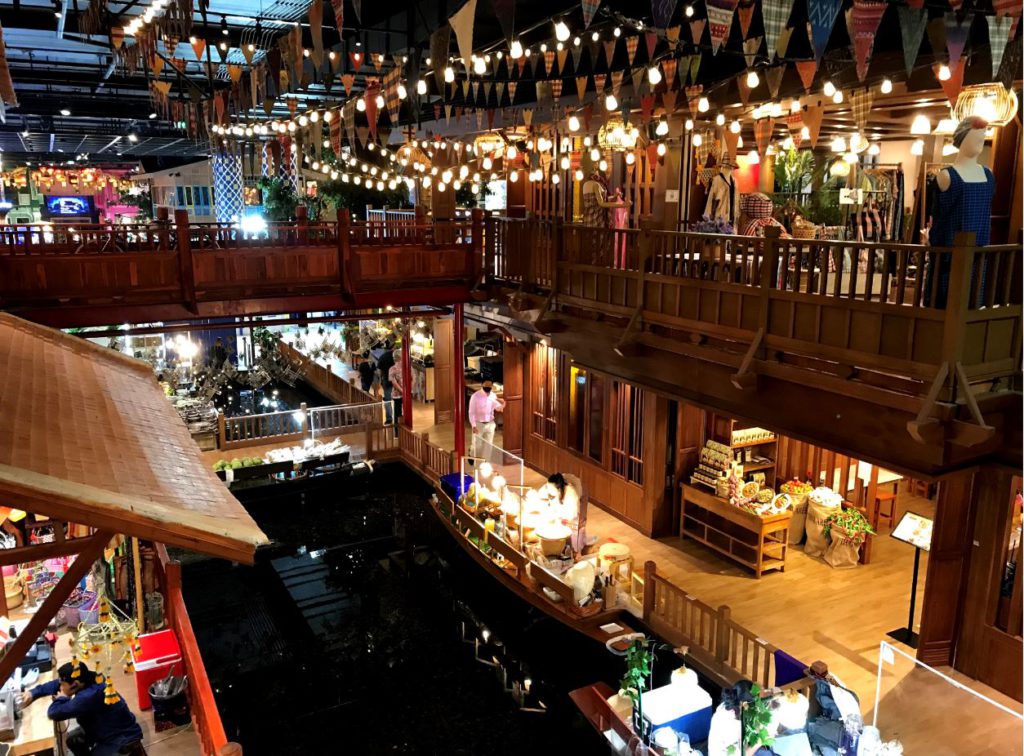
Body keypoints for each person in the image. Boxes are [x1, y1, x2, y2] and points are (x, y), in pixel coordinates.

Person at [20, 661, 144, 756]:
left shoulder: (89, 696)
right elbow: (57, 683)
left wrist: (62, 698)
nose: (60, 688)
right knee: (73, 740)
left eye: (63, 686)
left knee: (80, 742)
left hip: (121, 739)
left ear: (75, 685)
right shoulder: (88, 678)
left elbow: (54, 712)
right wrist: (33, 692)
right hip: (106, 729)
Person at [468, 380, 505, 461]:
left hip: (490, 423)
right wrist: (473, 425)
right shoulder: (475, 396)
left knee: (489, 444)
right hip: (478, 424)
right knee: (477, 444)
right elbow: (471, 412)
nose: (487, 387)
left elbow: (498, 408)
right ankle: (471, 454)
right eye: (486, 386)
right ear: (482, 385)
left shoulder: (493, 396)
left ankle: (486, 461)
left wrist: (503, 403)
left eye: (489, 386)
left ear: (491, 386)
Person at [377, 342, 396, 422]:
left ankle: (389, 418)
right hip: (397, 381)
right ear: (393, 348)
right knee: (397, 400)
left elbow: (379, 371)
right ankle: (398, 417)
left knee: (387, 400)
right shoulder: (397, 357)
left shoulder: (382, 357)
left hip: (386, 380)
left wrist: (380, 380)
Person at [387, 349, 404, 435]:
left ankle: (399, 431)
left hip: (398, 394)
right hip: (400, 394)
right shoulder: (394, 368)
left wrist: (403, 391)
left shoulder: (392, 369)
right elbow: (393, 382)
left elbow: (393, 382)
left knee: (398, 412)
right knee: (400, 412)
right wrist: (405, 391)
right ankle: (401, 431)